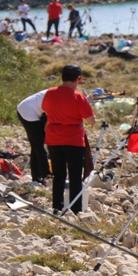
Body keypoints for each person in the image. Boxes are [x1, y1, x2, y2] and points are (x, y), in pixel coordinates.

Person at [43, 65, 94, 213]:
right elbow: (91, 121)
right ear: (78, 79)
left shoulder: (50, 93)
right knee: (75, 175)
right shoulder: (78, 96)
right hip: (73, 139)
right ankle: (75, 208)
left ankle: (57, 207)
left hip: (53, 137)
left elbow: (46, 110)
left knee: (58, 174)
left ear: (62, 77)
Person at [16, 89, 50, 184]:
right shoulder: (58, 98)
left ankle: (36, 176)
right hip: (27, 111)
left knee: (36, 146)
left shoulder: (62, 95)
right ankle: (45, 175)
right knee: (39, 144)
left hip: (37, 110)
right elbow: (49, 123)